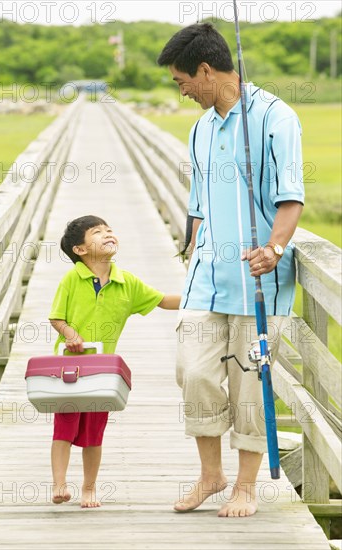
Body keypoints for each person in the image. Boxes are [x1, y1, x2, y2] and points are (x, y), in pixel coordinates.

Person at [157, 23, 304, 517]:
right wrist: (193, 248)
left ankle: (244, 486)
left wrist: (275, 249)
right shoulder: (199, 128)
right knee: (192, 373)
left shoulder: (274, 118)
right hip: (205, 282)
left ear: (205, 69)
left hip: (258, 281)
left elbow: (290, 197)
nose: (181, 92)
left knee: (250, 385)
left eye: (182, 81)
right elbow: (198, 205)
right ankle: (211, 475)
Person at [49, 215, 180, 508]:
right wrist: (70, 333)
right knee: (64, 429)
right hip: (69, 368)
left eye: (109, 229)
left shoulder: (126, 282)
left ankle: (89, 488)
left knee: (94, 434)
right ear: (80, 251)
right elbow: (57, 317)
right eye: (97, 232)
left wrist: (202, 299)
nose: (108, 234)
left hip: (102, 373)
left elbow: (161, 300)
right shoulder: (72, 278)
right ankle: (59, 484)